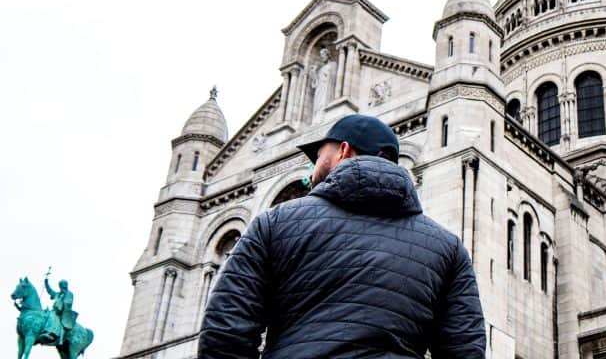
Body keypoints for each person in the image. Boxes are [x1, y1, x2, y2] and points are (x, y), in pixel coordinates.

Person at [199, 114, 486, 358]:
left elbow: (225, 330)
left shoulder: (274, 224)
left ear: (343, 151)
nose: (312, 168)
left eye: (319, 155)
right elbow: (465, 350)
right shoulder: (449, 249)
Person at [44, 275, 75, 346]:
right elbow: (50, 291)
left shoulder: (69, 294)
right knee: (46, 314)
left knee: (53, 316)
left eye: (62, 286)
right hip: (55, 310)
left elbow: (68, 302)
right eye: (60, 286)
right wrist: (46, 283)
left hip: (64, 312)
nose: (61, 287)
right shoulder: (58, 294)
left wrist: (61, 306)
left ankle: (52, 333)